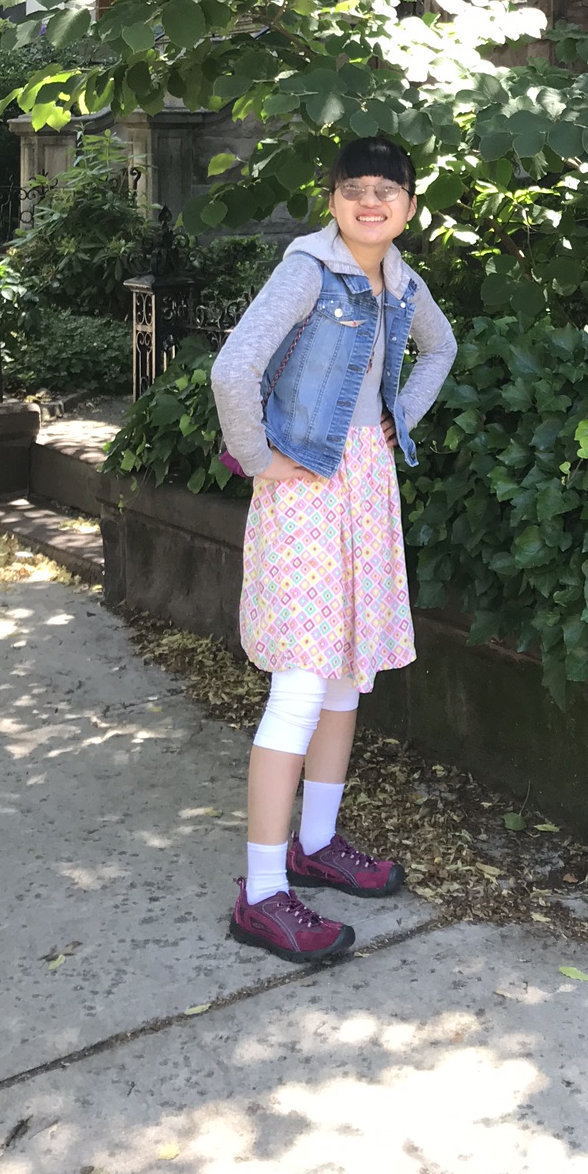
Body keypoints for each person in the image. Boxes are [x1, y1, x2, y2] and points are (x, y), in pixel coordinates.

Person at [210, 137, 456, 965]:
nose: (371, 202)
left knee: (348, 674)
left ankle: (314, 845)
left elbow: (441, 349)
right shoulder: (308, 271)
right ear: (333, 201)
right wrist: (256, 457)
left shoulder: (402, 279)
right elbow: (234, 369)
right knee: (300, 684)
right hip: (306, 489)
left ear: (409, 207)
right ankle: (261, 894)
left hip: (366, 485)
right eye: (356, 188)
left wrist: (400, 417)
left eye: (388, 190)